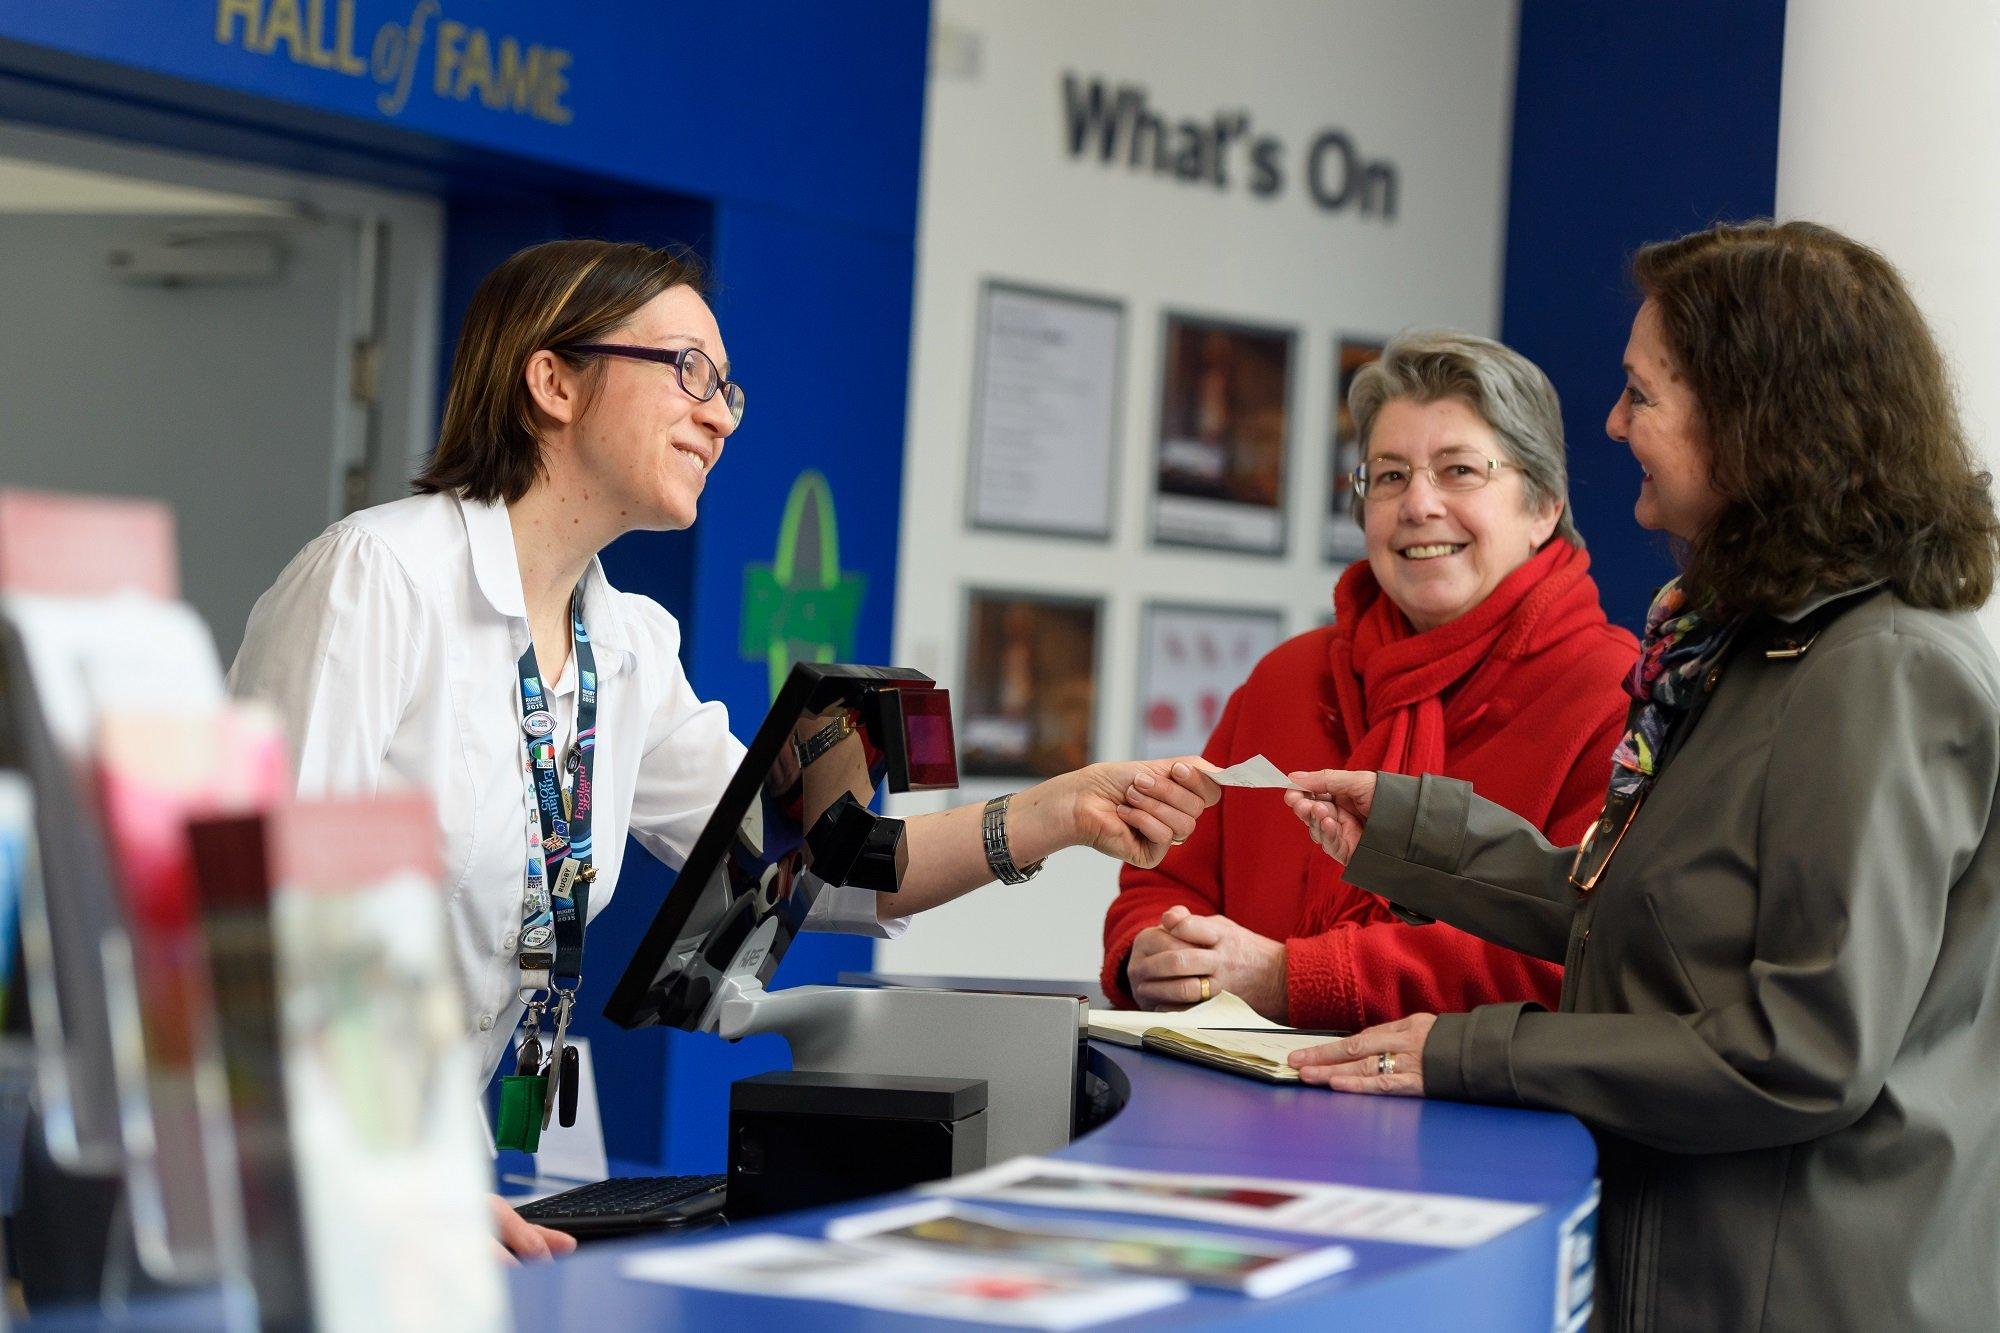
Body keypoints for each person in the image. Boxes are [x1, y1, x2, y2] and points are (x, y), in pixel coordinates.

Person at [230, 239, 1222, 1261]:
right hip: (277, 1183)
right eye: (687, 371)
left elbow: (821, 867)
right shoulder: (376, 580)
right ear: (552, 380)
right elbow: (248, 930)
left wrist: (1062, 811)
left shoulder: (622, 646)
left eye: (726, 390)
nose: (717, 414)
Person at [1286, 221, 2000, 1329]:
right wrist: (1411, 834)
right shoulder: (1745, 648)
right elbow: (1642, 912)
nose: (1613, 424)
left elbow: (1799, 1051)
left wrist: (1473, 1049)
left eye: (1640, 394)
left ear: (1753, 416)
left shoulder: (1883, 670)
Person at [1104, 332, 1636, 1029]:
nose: (1418, 504)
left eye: (1459, 471)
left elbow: (1577, 956)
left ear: (1543, 507)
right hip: (1239, 1106)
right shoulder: (1288, 676)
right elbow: (1166, 877)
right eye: (1388, 475)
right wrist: (1153, 950)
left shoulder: (1613, 692)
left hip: (1477, 1123)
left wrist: (1294, 978)